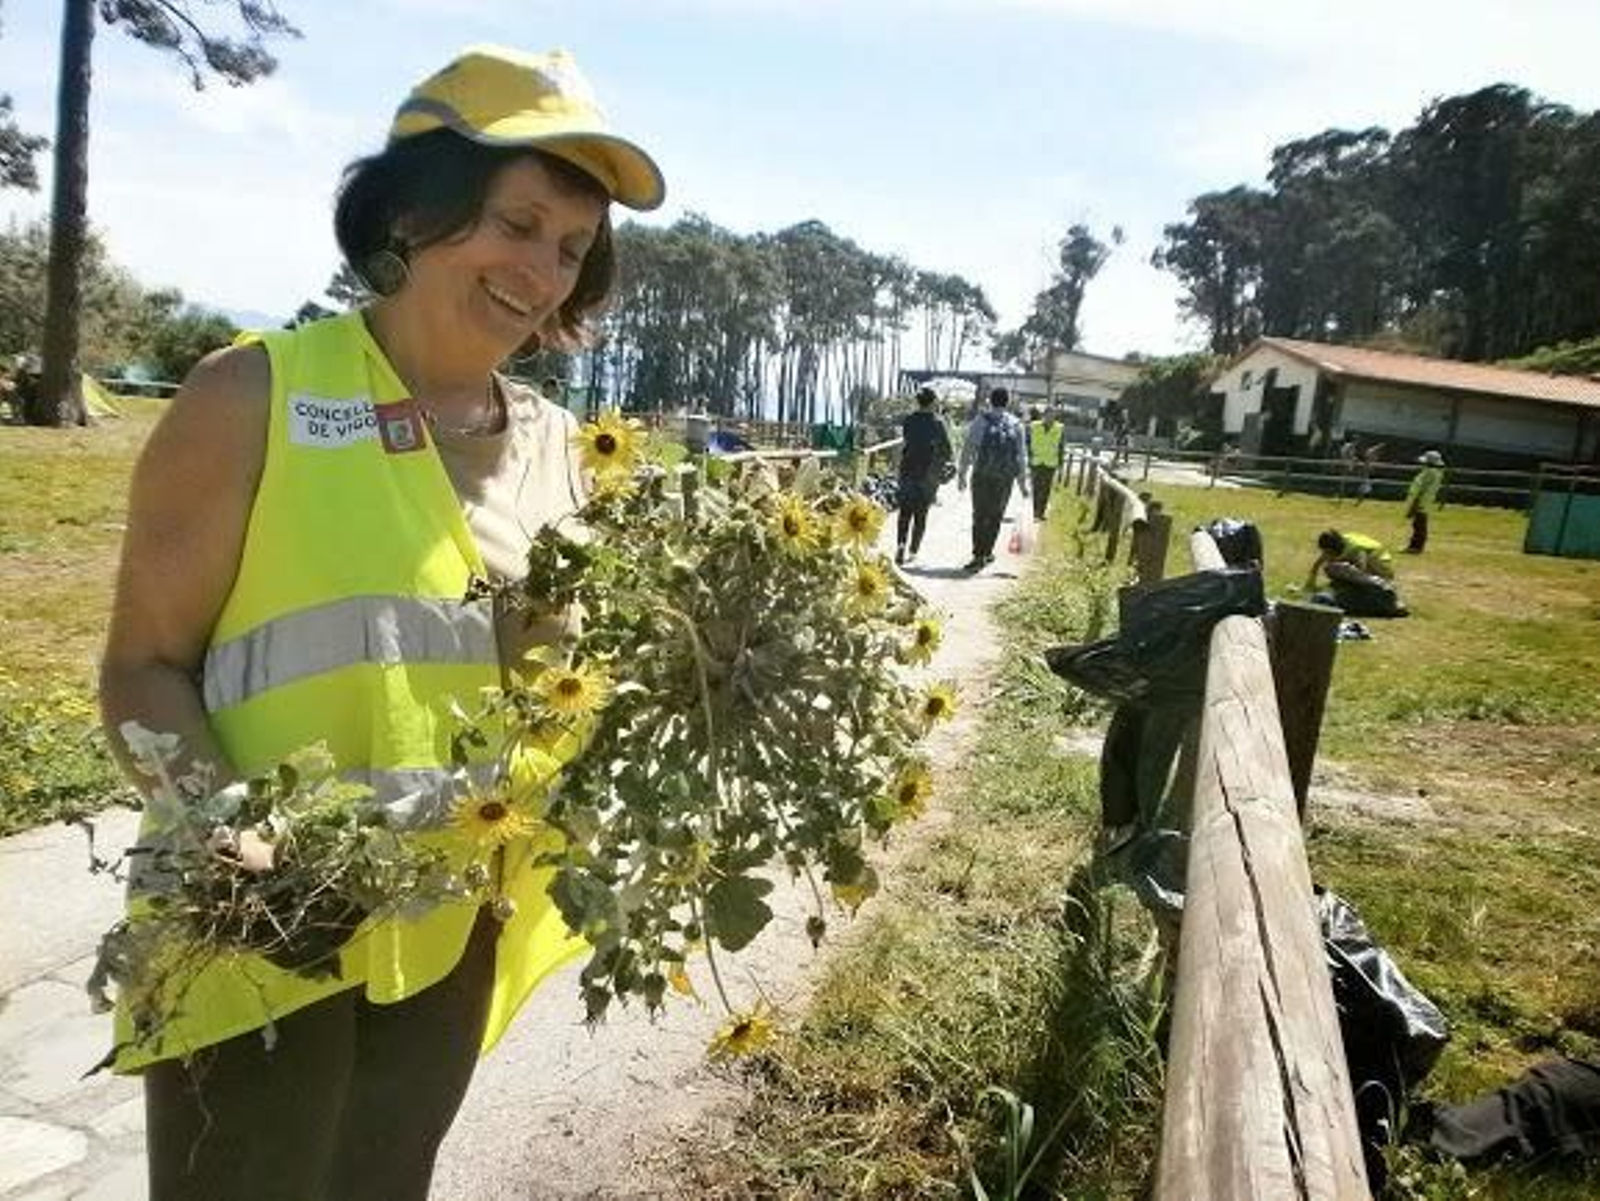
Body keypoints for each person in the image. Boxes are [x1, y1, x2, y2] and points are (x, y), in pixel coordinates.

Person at [97, 44, 665, 1199]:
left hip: (444, 932)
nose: (544, 271)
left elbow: (552, 694)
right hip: (257, 925)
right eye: (516, 223)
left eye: (570, 247)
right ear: (414, 211)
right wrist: (226, 838)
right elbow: (143, 666)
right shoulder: (249, 395)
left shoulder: (563, 450)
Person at [957, 386, 1029, 571]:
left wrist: (962, 474)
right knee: (996, 515)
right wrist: (1022, 483)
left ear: (990, 400)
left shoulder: (981, 421)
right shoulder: (1016, 424)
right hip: (1005, 479)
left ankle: (978, 555)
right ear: (1008, 402)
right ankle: (987, 552)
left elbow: (968, 448)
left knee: (979, 515)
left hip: (981, 475)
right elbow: (1021, 456)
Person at [894, 386, 953, 565]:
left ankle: (900, 545)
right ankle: (913, 551)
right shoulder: (938, 422)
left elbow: (907, 440)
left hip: (908, 470)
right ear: (933, 402)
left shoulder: (909, 420)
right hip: (928, 475)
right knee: (921, 514)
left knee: (905, 512)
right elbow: (947, 450)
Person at [1306, 528, 1407, 617]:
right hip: (1362, 565)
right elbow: (1318, 564)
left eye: (1328, 552)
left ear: (1334, 548)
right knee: (1335, 567)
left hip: (1380, 562)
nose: (1326, 555)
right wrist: (1311, 582)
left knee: (1365, 562)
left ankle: (1383, 583)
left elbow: (1361, 571)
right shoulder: (1334, 546)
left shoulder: (1356, 549)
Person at [1026, 404, 1065, 522]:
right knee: (1036, 488)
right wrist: (1029, 457)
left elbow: (1061, 446)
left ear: (1055, 416)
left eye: (1053, 415)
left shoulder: (1060, 428)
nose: (1050, 417)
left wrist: (1061, 463)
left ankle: (1041, 512)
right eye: (1048, 414)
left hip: (1050, 462)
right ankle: (1035, 512)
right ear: (1044, 415)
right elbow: (1027, 442)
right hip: (1036, 462)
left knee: (1046, 489)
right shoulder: (1034, 426)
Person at [1404, 449, 1446, 553]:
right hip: (1426, 503)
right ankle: (1416, 546)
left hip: (1421, 503)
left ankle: (1415, 547)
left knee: (1419, 525)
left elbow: (1420, 491)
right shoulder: (1438, 473)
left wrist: (1413, 506)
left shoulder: (1429, 473)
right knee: (1420, 525)